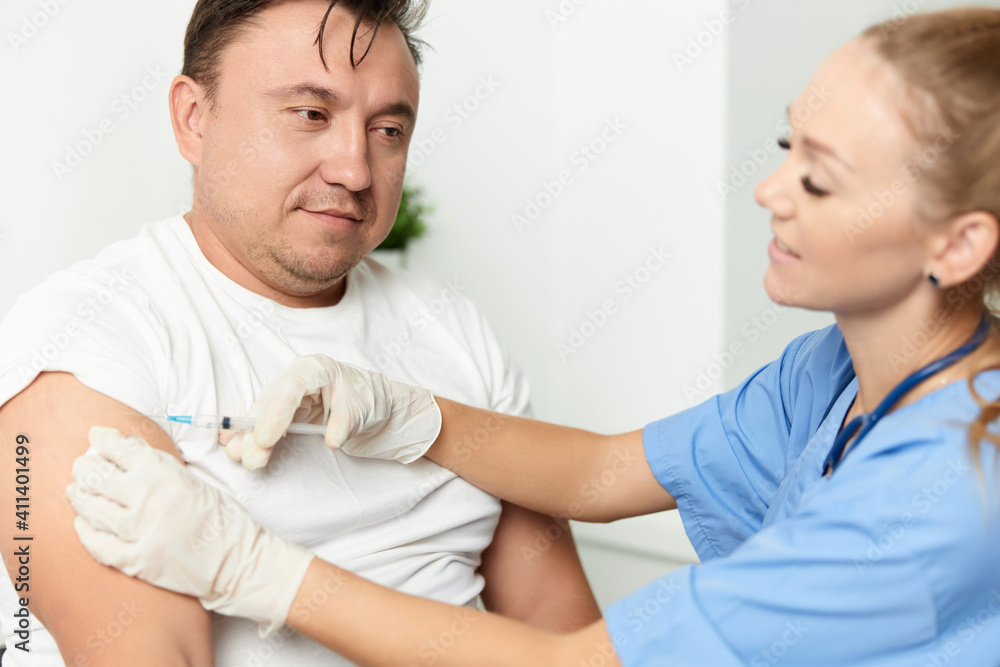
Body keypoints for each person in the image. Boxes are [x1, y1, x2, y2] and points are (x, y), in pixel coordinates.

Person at [66, 6, 1000, 666]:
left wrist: (254, 569)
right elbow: (602, 473)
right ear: (193, 117)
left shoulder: (953, 484)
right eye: (785, 148)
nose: (768, 191)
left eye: (823, 179)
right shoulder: (836, 372)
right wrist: (419, 419)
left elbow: (577, 661)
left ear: (959, 243)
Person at [0, 0, 601, 664]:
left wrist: (264, 570)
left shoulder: (454, 332)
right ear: (193, 119)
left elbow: (568, 643)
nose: (355, 170)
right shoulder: (88, 337)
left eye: (388, 129)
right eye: (311, 114)